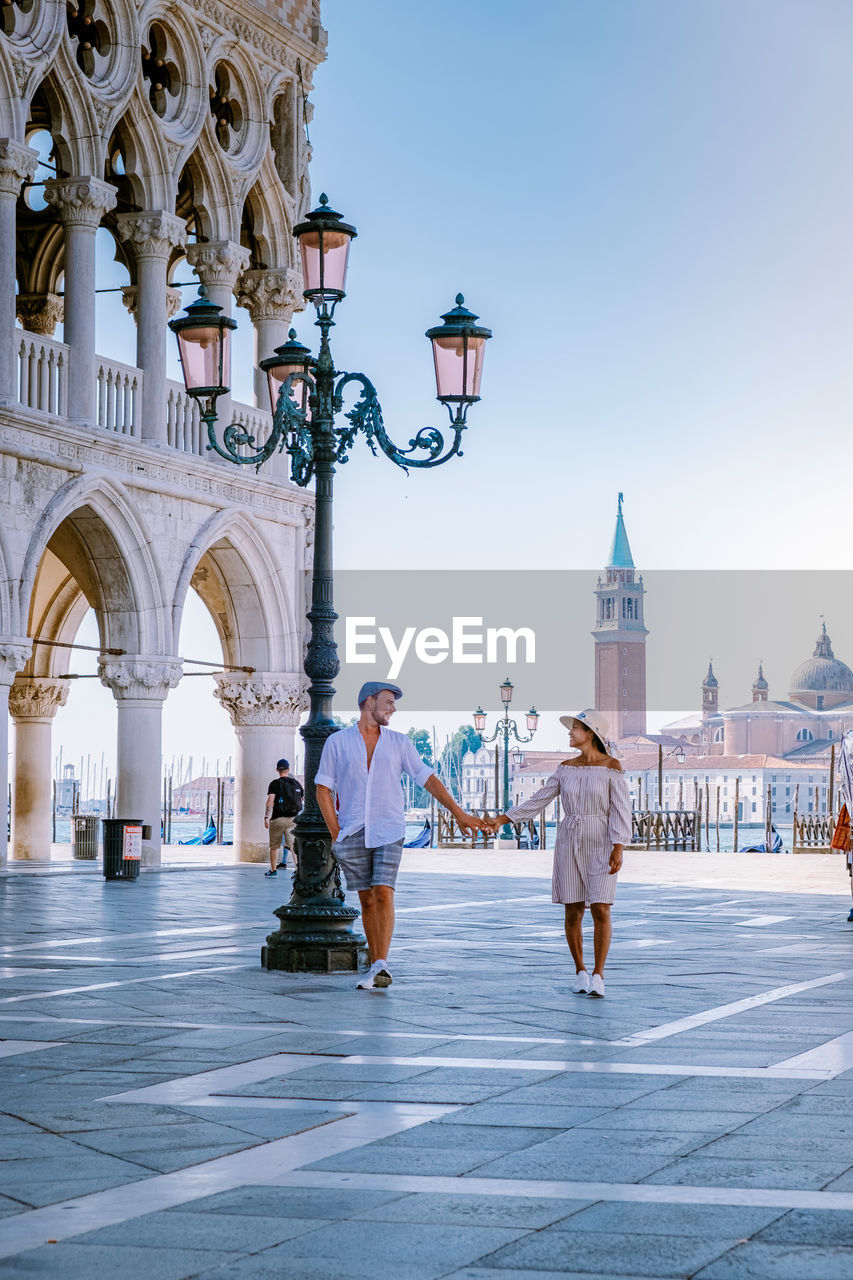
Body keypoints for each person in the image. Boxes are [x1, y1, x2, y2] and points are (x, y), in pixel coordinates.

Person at [315, 681, 486, 990]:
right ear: (369, 702)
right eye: (388, 702)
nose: (393, 708)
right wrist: (335, 833)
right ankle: (375, 964)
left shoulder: (400, 743)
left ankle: (381, 964)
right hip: (351, 830)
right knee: (367, 900)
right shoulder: (337, 743)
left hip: (389, 828)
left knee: (383, 892)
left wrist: (458, 812)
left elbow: (427, 779)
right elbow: (322, 789)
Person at [487, 709, 631, 999]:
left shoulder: (612, 767)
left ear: (590, 733)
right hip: (569, 840)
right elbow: (539, 800)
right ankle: (580, 971)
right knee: (573, 908)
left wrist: (619, 845)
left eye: (575, 728)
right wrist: (503, 819)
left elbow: (621, 809)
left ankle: (599, 975)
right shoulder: (565, 768)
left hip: (601, 840)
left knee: (601, 907)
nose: (570, 732)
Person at [264, 759, 304, 877]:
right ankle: (297, 870)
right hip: (293, 819)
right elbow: (301, 799)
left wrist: (266, 817)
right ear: (288, 770)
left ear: (277, 770)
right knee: (293, 846)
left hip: (277, 819)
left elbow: (270, 802)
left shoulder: (274, 784)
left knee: (274, 846)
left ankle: (273, 870)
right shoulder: (296, 783)